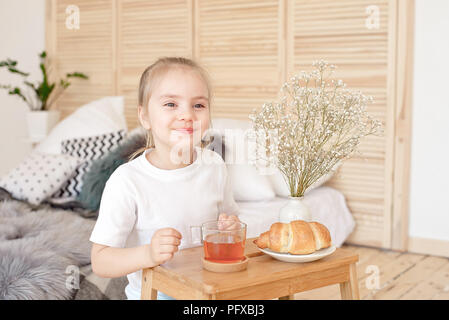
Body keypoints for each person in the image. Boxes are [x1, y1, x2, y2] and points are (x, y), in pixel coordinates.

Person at [89, 57, 241, 300]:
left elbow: (227, 223)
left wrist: (230, 229)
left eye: (198, 105)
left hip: (209, 293)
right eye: (171, 104)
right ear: (145, 117)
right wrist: (148, 254)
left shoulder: (214, 165)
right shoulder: (127, 181)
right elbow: (100, 261)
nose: (187, 115)